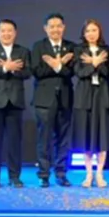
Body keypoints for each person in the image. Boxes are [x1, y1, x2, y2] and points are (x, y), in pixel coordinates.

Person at [0, 19, 32, 189]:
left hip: (15, 101)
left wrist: (13, 69)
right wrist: (4, 68)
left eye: (10, 30)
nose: (6, 33)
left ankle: (15, 177)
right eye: (3, 30)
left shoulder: (23, 51)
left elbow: (28, 72)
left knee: (14, 142)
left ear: (15, 33)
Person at [31, 13, 75, 188]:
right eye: (52, 26)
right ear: (45, 29)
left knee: (63, 139)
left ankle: (61, 173)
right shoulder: (38, 46)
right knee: (44, 138)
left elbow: (72, 72)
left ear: (63, 27)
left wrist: (57, 65)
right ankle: (43, 174)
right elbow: (37, 71)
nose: (55, 29)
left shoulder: (71, 47)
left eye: (58, 26)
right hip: (44, 99)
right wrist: (58, 65)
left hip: (65, 98)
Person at [73, 19, 109, 188]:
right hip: (85, 95)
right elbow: (79, 72)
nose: (91, 34)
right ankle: (89, 173)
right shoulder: (78, 50)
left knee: (102, 135)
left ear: (99, 32)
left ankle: (100, 173)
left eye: (94, 30)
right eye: (88, 31)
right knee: (87, 136)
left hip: (102, 94)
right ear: (84, 34)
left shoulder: (107, 50)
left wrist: (97, 64)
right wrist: (94, 64)